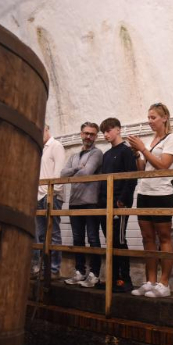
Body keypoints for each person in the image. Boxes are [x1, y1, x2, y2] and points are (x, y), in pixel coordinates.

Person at [127, 103, 173, 299]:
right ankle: (150, 281)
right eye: (148, 118)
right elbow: (143, 169)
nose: (150, 121)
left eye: (153, 118)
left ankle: (164, 283)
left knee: (164, 237)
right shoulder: (152, 141)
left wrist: (143, 149)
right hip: (145, 192)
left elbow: (164, 166)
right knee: (147, 238)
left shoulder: (172, 138)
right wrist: (137, 153)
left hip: (162, 193)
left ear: (164, 117)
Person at [96, 118, 138, 293]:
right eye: (104, 131)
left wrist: (123, 199)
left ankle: (125, 279)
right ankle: (112, 278)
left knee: (119, 240)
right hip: (105, 203)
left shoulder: (126, 151)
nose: (106, 134)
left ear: (118, 129)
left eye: (109, 130)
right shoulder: (106, 154)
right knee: (110, 241)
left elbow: (131, 177)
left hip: (119, 203)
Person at [62, 122, 104, 288]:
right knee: (77, 238)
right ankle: (80, 272)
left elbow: (87, 173)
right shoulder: (74, 155)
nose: (88, 137)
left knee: (93, 238)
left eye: (92, 134)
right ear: (81, 134)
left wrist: (75, 170)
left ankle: (94, 274)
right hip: (75, 202)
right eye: (86, 133)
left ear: (96, 136)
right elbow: (62, 173)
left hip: (91, 202)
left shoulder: (97, 153)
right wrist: (78, 167)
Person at [32, 125, 65, 279]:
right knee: (39, 234)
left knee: (53, 232)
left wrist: (52, 193)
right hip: (38, 195)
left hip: (50, 194)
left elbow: (58, 172)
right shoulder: (40, 148)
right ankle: (41, 268)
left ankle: (53, 270)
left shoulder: (56, 146)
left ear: (46, 129)